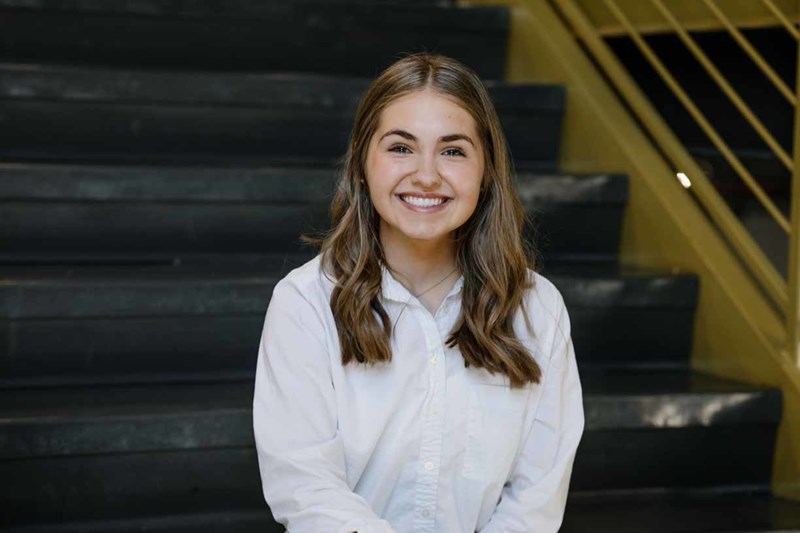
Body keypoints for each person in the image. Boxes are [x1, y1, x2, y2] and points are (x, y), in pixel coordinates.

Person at [252, 52, 584, 533]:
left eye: (453, 151)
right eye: (401, 147)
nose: (426, 175)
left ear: (486, 170)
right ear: (362, 163)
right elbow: (306, 487)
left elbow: (535, 497)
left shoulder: (537, 308)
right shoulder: (305, 302)